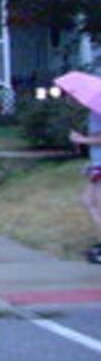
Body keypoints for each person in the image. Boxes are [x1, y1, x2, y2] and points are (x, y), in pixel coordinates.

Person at [68, 107, 101, 264]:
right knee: (88, 201)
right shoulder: (93, 112)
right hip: (97, 162)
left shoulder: (97, 112)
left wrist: (82, 140)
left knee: (96, 204)